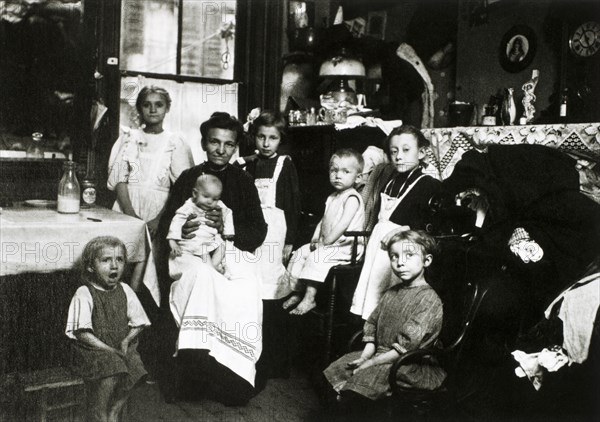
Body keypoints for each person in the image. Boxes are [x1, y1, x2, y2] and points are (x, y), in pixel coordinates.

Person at [157, 112, 267, 406]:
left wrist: (226, 229)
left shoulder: (243, 181)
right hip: (189, 251)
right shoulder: (188, 178)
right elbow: (167, 224)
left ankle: (233, 378)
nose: (221, 149)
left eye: (229, 144)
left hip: (227, 250)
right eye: (215, 142)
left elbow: (258, 233)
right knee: (203, 278)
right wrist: (184, 228)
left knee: (245, 288)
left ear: (235, 147)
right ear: (204, 143)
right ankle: (192, 372)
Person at [323, 230, 445, 407]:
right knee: (342, 366)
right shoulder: (391, 293)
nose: (400, 262)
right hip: (382, 356)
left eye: (409, 255)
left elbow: (406, 347)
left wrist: (370, 363)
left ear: (426, 261)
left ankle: (353, 405)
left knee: (363, 379)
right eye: (394, 256)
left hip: (407, 364)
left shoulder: (428, 300)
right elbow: (372, 323)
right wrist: (366, 356)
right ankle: (347, 405)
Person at [107, 85, 194, 294]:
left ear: (167, 109)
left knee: (151, 269)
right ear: (139, 109)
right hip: (126, 207)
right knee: (118, 263)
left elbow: (181, 187)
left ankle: (143, 317)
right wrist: (131, 216)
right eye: (146, 105)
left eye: (159, 105)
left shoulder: (175, 142)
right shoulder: (129, 138)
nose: (153, 110)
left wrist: (159, 219)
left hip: (160, 212)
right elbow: (119, 180)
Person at [235, 110, 301, 380]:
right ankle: (251, 354)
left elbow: (293, 205)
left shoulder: (285, 164)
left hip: (275, 234)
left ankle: (276, 360)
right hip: (252, 233)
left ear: (280, 139)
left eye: (272, 138)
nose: (265, 143)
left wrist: (290, 241)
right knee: (251, 291)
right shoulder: (246, 163)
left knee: (272, 293)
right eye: (261, 137)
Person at [351, 125, 442, 320]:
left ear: (422, 153)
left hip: (403, 246)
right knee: (373, 287)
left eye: (406, 150)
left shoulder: (428, 184)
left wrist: (406, 228)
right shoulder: (390, 181)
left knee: (391, 290)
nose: (399, 156)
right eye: (394, 151)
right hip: (379, 244)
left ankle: (388, 323)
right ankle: (370, 325)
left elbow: (431, 222)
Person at [65, 236, 150, 422]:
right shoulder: (84, 292)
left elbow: (139, 322)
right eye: (106, 260)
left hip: (118, 347)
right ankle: (99, 414)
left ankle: (114, 411)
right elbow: (83, 333)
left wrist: (127, 340)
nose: (114, 266)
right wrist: (110, 350)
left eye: (119, 259)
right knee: (113, 366)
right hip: (91, 350)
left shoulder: (125, 290)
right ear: (90, 267)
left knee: (135, 366)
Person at [283, 148, 365, 315]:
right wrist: (315, 237)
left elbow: (342, 225)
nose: (338, 175)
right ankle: (297, 291)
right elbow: (324, 220)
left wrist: (325, 243)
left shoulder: (352, 198)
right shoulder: (332, 197)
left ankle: (310, 298)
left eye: (345, 171)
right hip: (327, 244)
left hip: (347, 246)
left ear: (358, 177)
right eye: (334, 170)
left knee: (317, 257)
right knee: (299, 253)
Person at [167, 174, 234, 279]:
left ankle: (214, 266)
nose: (210, 202)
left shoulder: (218, 205)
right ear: (195, 193)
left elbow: (228, 212)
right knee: (204, 253)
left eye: (215, 198)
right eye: (206, 196)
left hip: (209, 240)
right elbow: (177, 220)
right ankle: (212, 273)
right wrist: (173, 241)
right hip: (193, 241)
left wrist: (228, 231)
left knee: (222, 246)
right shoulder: (189, 206)